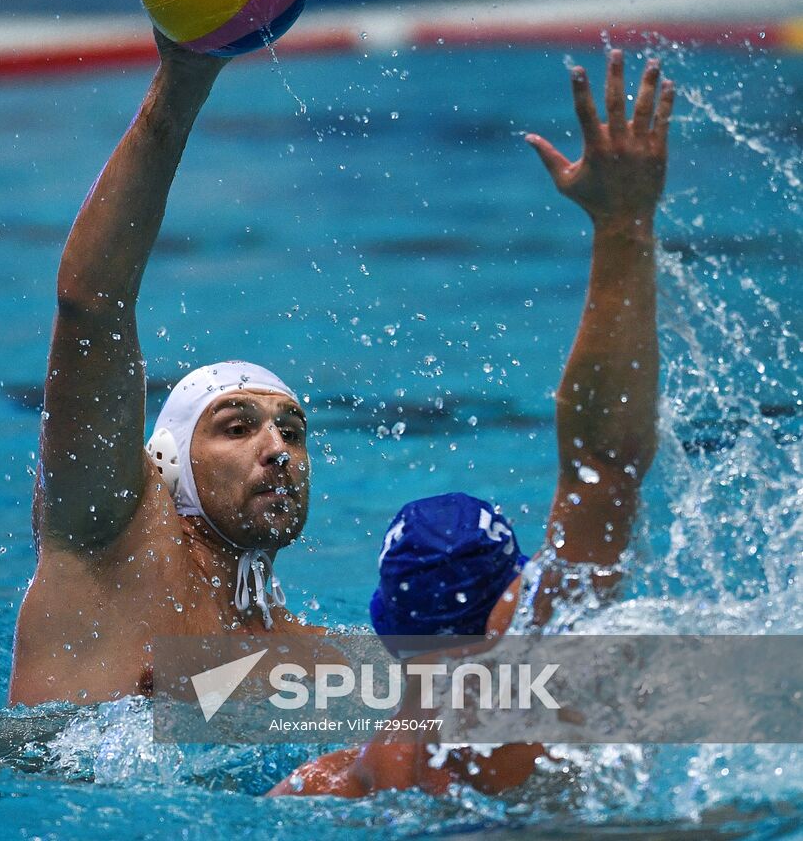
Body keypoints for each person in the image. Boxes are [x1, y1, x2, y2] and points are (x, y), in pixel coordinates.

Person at [269, 51, 675, 797]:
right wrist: (624, 222)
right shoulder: (530, 684)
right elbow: (605, 459)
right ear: (513, 602)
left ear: (387, 630)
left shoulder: (340, 777)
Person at [9, 33, 317, 707]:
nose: (277, 451)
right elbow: (91, 304)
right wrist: (180, 85)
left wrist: (613, 233)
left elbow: (543, 694)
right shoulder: (107, 543)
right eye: (237, 428)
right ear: (168, 462)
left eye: (293, 433)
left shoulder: (304, 660)